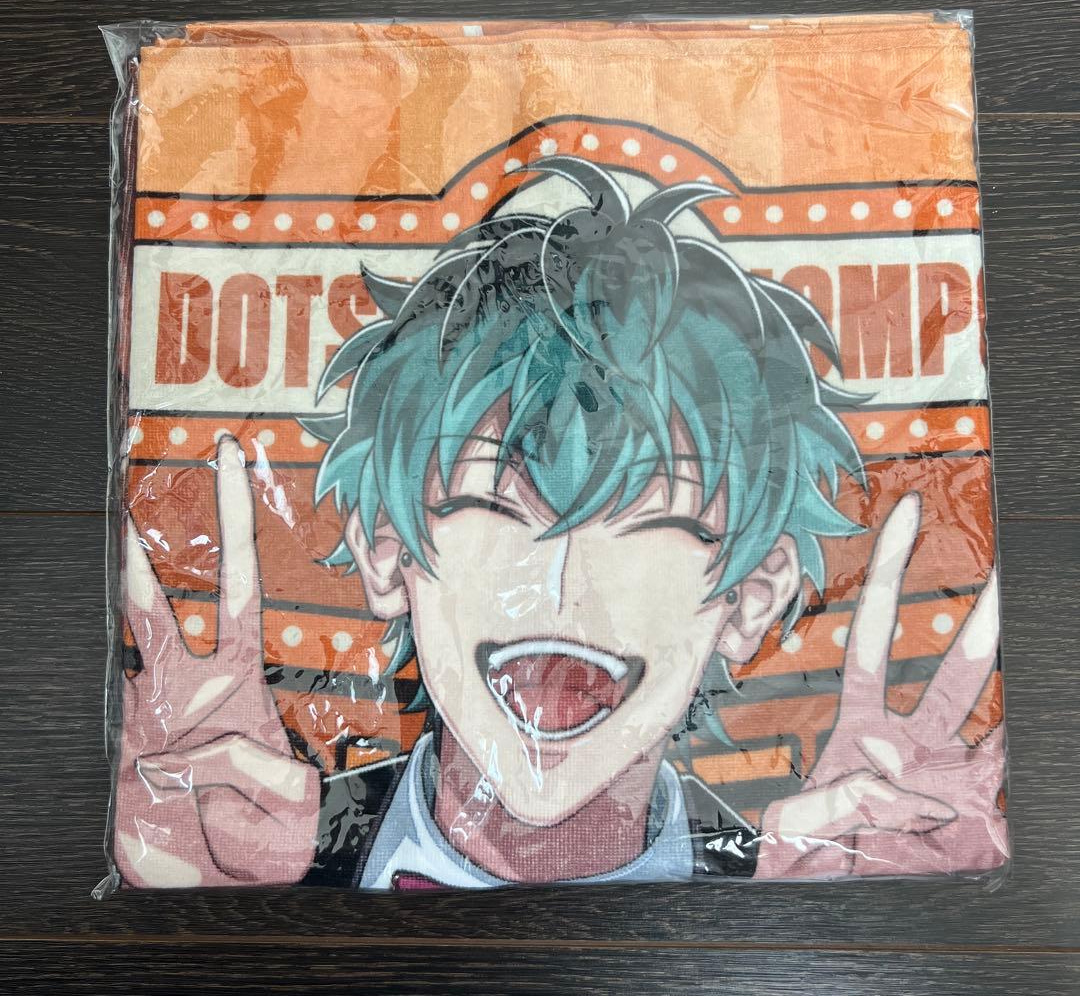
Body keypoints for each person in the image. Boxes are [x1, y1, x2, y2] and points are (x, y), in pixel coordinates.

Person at [114, 157, 1007, 890]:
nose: (562, 586)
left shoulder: (797, 874)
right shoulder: (266, 851)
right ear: (386, 552)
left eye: (652, 516)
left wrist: (858, 915)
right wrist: (211, 902)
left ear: (751, 595)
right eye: (494, 504)